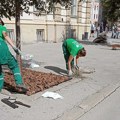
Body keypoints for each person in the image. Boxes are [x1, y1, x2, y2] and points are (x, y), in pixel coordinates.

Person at [0, 18, 27, 93]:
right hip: (1, 47)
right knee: (14, 66)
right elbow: (5, 36)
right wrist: (14, 47)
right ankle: (19, 83)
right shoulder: (2, 27)